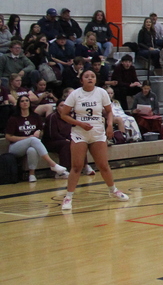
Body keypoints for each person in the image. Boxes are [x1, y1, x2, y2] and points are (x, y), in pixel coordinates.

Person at [58, 70, 131, 210]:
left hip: (98, 132)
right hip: (80, 132)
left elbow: (109, 111)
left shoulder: (101, 93)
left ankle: (113, 190)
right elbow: (64, 114)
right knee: (77, 166)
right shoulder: (75, 94)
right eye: (86, 77)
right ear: (81, 80)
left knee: (103, 165)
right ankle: (68, 197)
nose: (90, 78)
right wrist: (80, 124)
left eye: (92, 76)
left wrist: (109, 125)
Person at [6, 94, 68, 181]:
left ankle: (32, 174)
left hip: (32, 143)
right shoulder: (14, 118)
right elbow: (8, 136)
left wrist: (39, 132)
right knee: (32, 140)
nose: (25, 103)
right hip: (15, 147)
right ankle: (53, 164)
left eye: (27, 101)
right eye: (22, 101)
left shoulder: (35, 116)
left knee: (32, 150)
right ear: (19, 104)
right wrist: (26, 138)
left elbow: (41, 130)